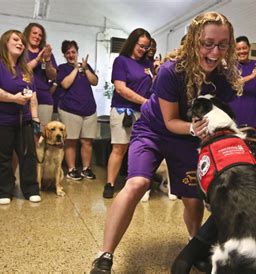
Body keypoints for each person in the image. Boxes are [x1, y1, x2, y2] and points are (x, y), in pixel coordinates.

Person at [91, 11, 241, 273]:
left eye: (222, 44)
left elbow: (217, 113)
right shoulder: (172, 71)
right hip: (154, 130)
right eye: (207, 43)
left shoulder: (224, 77)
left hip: (186, 138)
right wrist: (197, 130)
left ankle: (195, 244)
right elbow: (171, 121)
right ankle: (104, 254)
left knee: (193, 199)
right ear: (194, 41)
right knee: (137, 183)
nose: (215, 52)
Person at [0, 29, 41, 205]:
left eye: (22, 41)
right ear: (5, 42)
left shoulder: (25, 68)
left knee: (28, 155)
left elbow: (33, 95)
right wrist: (13, 98)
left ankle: (31, 189)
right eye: (16, 39)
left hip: (24, 119)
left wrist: (35, 119)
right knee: (2, 156)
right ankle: (4, 190)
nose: (20, 43)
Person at [102, 28, 153, 199]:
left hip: (143, 114)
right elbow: (121, 89)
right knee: (119, 148)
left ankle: (133, 183)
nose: (143, 50)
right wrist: (145, 102)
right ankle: (110, 184)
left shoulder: (148, 64)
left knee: (138, 149)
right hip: (123, 111)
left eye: (146, 47)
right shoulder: (121, 61)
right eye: (140, 45)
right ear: (132, 42)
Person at [56, 40, 99, 181]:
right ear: (64, 55)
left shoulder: (86, 67)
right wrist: (75, 68)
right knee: (71, 141)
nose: (71, 54)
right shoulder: (62, 68)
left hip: (89, 110)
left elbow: (95, 82)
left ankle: (86, 168)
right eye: (67, 53)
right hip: (70, 110)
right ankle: (71, 169)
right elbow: (65, 84)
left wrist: (85, 69)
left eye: (73, 52)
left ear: (77, 52)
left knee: (87, 141)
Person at [228, 36, 256, 129]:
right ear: (234, 50)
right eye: (238, 49)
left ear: (249, 48)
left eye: (244, 48)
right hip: (233, 120)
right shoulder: (230, 66)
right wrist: (252, 76)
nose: (242, 51)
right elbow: (234, 83)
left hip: (254, 118)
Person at [23, 23, 57, 126]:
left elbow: (53, 76)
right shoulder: (21, 50)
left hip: (44, 98)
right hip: (25, 96)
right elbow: (21, 70)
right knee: (26, 134)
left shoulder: (47, 53)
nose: (37, 37)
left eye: (40, 35)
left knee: (42, 134)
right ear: (28, 33)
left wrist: (47, 60)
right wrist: (37, 59)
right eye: (34, 33)